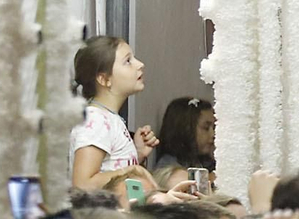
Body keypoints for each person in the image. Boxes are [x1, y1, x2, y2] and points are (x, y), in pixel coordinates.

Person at [69, 36, 157, 190]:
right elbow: (83, 183)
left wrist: (137, 154)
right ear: (104, 79)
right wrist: (130, 171)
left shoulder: (108, 118)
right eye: (128, 61)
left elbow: (109, 171)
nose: (140, 64)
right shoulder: (96, 119)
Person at [152, 96, 215, 180]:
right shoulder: (168, 166)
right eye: (206, 128)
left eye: (214, 128)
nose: (213, 134)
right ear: (186, 129)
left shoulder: (207, 162)